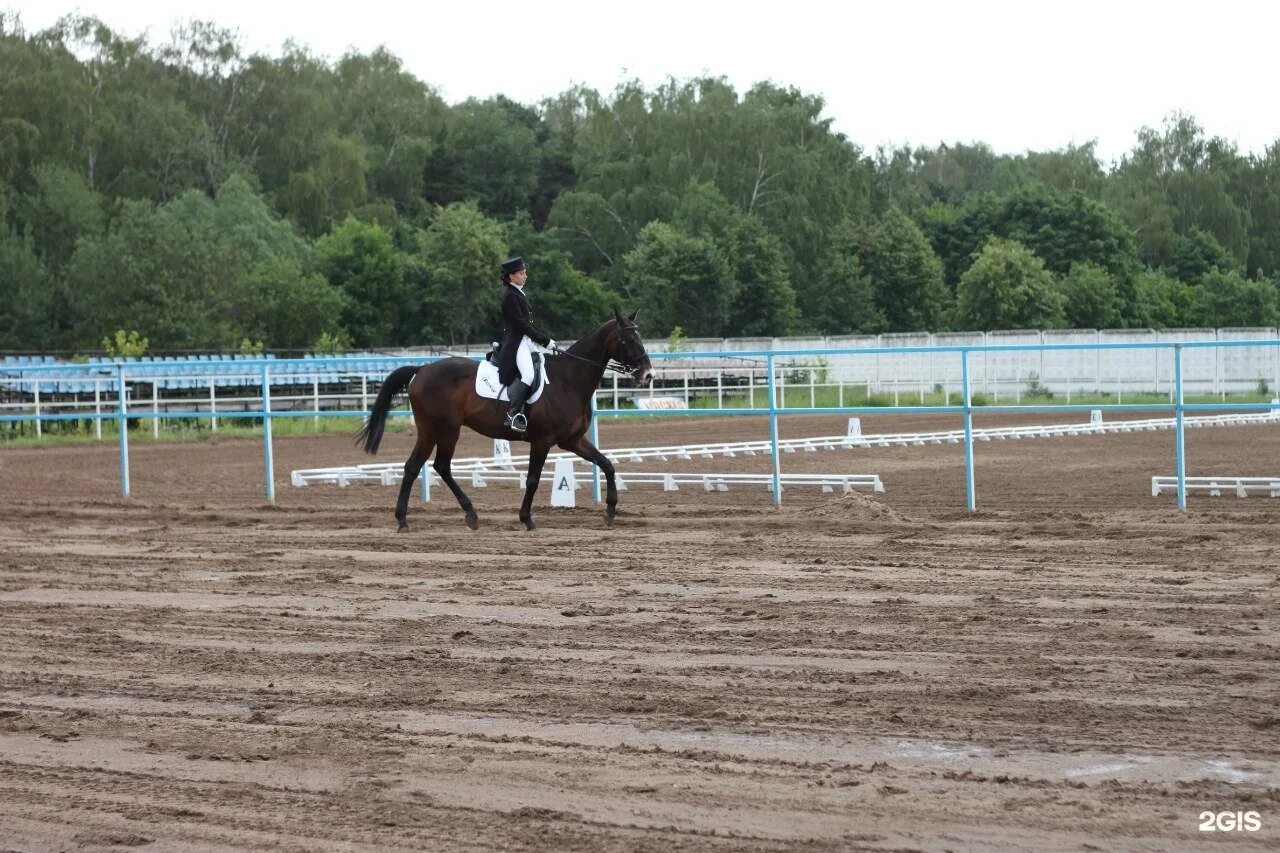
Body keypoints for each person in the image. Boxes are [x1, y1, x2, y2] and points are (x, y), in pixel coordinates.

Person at [497, 256, 557, 432]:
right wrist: (543, 340)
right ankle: (513, 414)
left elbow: (529, 324)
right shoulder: (510, 296)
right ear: (511, 276)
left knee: (545, 366)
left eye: (525, 273)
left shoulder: (519, 294)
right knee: (528, 375)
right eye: (522, 273)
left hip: (526, 341)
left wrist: (545, 339)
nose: (525, 276)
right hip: (517, 343)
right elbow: (521, 324)